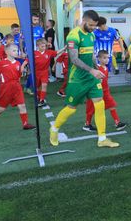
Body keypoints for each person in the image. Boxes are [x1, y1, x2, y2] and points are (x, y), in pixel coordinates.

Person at [49, 10, 120, 148]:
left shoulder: (91, 35)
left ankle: (102, 138)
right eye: (92, 25)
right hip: (77, 79)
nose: (94, 28)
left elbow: (92, 55)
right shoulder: (73, 36)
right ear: (84, 20)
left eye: (96, 26)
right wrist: (92, 70)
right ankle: (54, 129)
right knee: (71, 108)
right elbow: (74, 59)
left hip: (91, 79)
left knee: (100, 105)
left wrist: (97, 69)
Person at [0, 44, 35, 131]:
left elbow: (19, 75)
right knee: (1, 108)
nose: (16, 52)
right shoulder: (2, 63)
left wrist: (24, 71)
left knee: (22, 105)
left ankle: (25, 124)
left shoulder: (18, 63)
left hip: (17, 87)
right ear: (7, 52)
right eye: (14, 50)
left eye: (17, 50)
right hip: (6, 88)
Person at [83, 50, 127, 131]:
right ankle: (87, 124)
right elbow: (91, 79)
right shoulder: (96, 68)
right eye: (104, 58)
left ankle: (117, 123)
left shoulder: (106, 68)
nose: (106, 60)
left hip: (106, 92)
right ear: (99, 59)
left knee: (112, 105)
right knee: (91, 109)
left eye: (107, 58)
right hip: (96, 92)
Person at [33, 38, 64, 107]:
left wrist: (64, 48)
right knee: (38, 87)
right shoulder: (34, 53)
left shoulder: (48, 52)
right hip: (36, 73)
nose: (44, 48)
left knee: (44, 85)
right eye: (42, 46)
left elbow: (57, 52)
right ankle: (39, 97)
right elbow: (28, 61)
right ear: (38, 46)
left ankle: (42, 100)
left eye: (45, 46)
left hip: (44, 72)